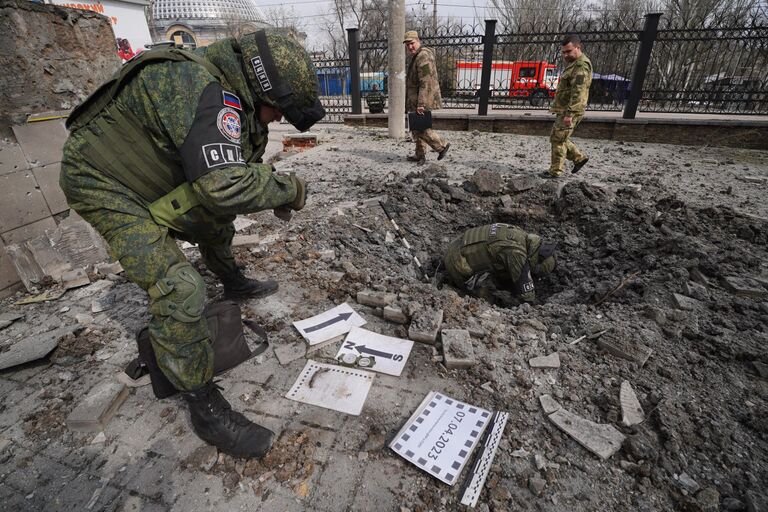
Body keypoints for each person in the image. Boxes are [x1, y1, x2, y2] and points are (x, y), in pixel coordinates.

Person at [60, 29, 325, 459]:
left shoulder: (230, 93)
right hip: (103, 184)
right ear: (261, 86)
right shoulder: (199, 88)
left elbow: (227, 179)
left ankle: (233, 281)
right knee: (181, 289)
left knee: (216, 223)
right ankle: (203, 405)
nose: (277, 120)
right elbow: (223, 184)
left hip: (149, 175)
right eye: (279, 110)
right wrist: (287, 188)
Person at [443, 224, 557, 304]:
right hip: (456, 264)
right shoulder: (517, 253)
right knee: (491, 299)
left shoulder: (521, 235)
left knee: (506, 272)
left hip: (456, 245)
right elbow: (527, 297)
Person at [546, 34, 592, 178]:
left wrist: (569, 114)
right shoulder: (573, 65)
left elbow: (579, 92)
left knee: (558, 140)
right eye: (563, 52)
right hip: (566, 109)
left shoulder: (581, 66)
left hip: (570, 111)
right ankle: (579, 158)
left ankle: (555, 173)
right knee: (559, 137)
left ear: (578, 47)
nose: (565, 55)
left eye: (568, 51)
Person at [403, 30, 450, 165]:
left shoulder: (423, 56)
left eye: (411, 43)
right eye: (407, 45)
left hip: (421, 99)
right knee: (417, 128)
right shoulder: (417, 55)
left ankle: (442, 146)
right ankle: (420, 155)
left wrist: (421, 104)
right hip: (415, 99)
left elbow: (426, 81)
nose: (410, 47)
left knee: (422, 128)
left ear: (418, 41)